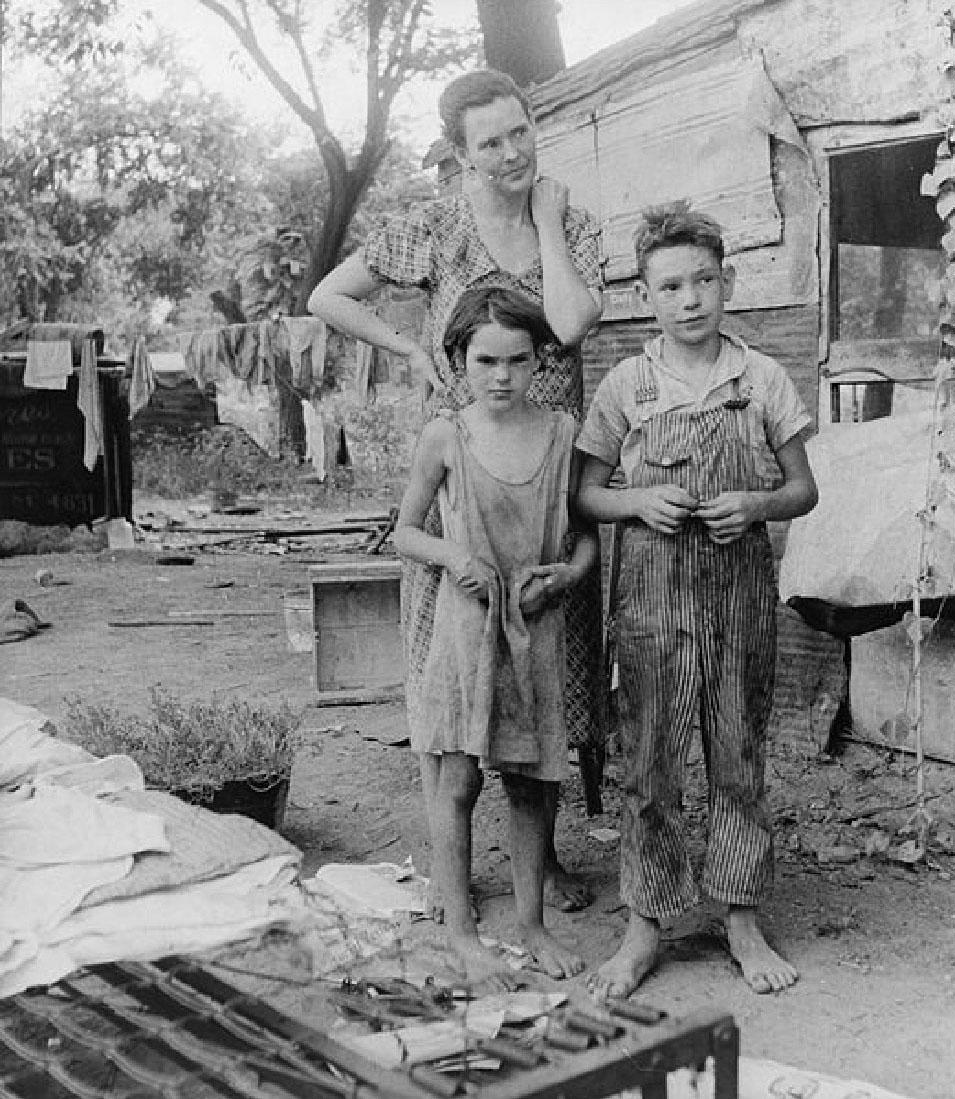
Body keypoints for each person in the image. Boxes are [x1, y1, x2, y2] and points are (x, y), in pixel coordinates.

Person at [308, 68, 604, 916]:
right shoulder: (435, 228)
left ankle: (538, 866)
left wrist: (541, 220)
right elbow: (327, 294)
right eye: (490, 143)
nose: (512, 153)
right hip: (464, 474)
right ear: (459, 154)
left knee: (550, 661)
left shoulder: (571, 223)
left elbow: (574, 324)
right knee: (456, 662)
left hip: (549, 475)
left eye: (520, 131)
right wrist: (405, 347)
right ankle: (454, 868)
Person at [575, 202, 818, 998]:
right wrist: (637, 503)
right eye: (671, 285)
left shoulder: (763, 378)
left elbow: (802, 489)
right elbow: (586, 494)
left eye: (704, 280)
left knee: (738, 755)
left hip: (739, 597)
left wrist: (754, 504)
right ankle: (644, 926)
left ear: (727, 282)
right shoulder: (626, 385)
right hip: (649, 602)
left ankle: (740, 915)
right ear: (647, 295)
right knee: (648, 764)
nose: (691, 299)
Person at [393, 284, 596, 983]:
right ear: (458, 360)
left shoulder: (564, 432)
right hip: (466, 630)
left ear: (540, 358)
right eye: (485, 361)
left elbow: (588, 538)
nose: (502, 375)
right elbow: (406, 531)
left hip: (535, 629)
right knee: (458, 777)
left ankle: (532, 924)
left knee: (533, 785)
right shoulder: (447, 436)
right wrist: (455, 556)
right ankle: (460, 929)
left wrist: (566, 575)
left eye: (517, 359)